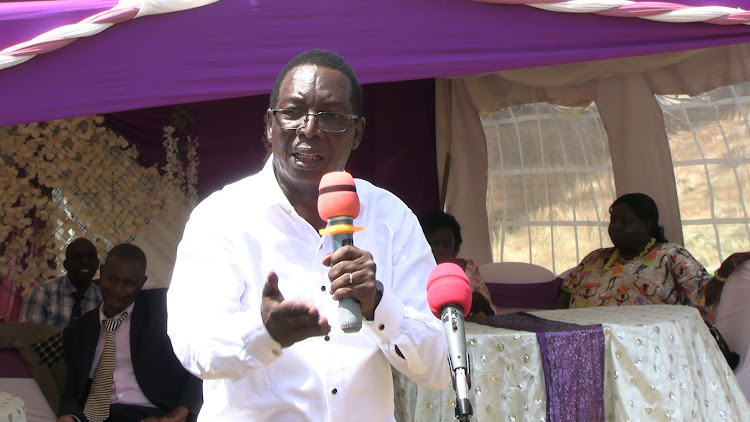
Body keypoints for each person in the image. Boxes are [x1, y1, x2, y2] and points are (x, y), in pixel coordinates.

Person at [166, 49, 449, 421]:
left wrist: (379, 304)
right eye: (293, 112)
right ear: (270, 125)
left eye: (331, 116)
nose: (309, 128)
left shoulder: (391, 217)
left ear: (358, 132)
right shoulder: (221, 217)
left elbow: (439, 368)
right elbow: (194, 347)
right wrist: (262, 331)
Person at [58, 244, 202, 422]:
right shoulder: (78, 331)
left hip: (156, 415)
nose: (118, 289)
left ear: (142, 283)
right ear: (101, 273)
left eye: (129, 283)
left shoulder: (163, 309)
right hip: (100, 417)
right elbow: (73, 390)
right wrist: (69, 416)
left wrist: (181, 411)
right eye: (112, 278)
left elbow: (200, 357)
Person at [557, 193, 750, 323]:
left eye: (624, 222)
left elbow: (701, 295)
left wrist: (724, 270)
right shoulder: (595, 258)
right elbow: (563, 300)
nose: (615, 227)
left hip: (646, 347)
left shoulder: (670, 255)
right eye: (613, 221)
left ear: (647, 225)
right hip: (580, 343)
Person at [418, 210, 500, 317]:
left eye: (446, 245)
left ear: (455, 249)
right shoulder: (410, 270)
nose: (440, 250)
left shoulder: (468, 269)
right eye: (434, 244)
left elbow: (495, 314)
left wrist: (483, 303)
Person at [22, 237, 102, 327]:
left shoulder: (102, 300)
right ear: (66, 265)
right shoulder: (43, 294)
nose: (85, 262)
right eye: (78, 257)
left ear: (97, 263)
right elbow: (30, 338)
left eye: (90, 257)